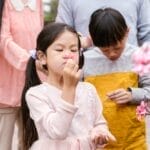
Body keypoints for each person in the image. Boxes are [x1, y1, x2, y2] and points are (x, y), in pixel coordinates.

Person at [21, 22, 116, 150]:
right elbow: (58, 131)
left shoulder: (88, 89)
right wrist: (69, 88)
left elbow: (99, 122)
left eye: (73, 50)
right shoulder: (36, 94)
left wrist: (99, 132)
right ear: (42, 57)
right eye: (60, 50)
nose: (68, 55)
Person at [83, 8, 150, 149]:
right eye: (105, 50)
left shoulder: (140, 56)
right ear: (92, 39)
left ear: (127, 32)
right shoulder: (84, 60)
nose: (112, 54)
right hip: (96, 142)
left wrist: (132, 95)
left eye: (117, 47)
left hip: (134, 140)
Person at [0, 0, 43, 149]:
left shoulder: (37, 3)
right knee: (2, 143)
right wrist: (28, 60)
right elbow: (3, 38)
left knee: (29, 142)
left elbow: (40, 38)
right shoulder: (5, 4)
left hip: (31, 84)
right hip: (5, 87)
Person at [56, 0, 150, 47]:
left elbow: (147, 36)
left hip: (130, 70)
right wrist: (82, 42)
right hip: (86, 71)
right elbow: (60, 37)